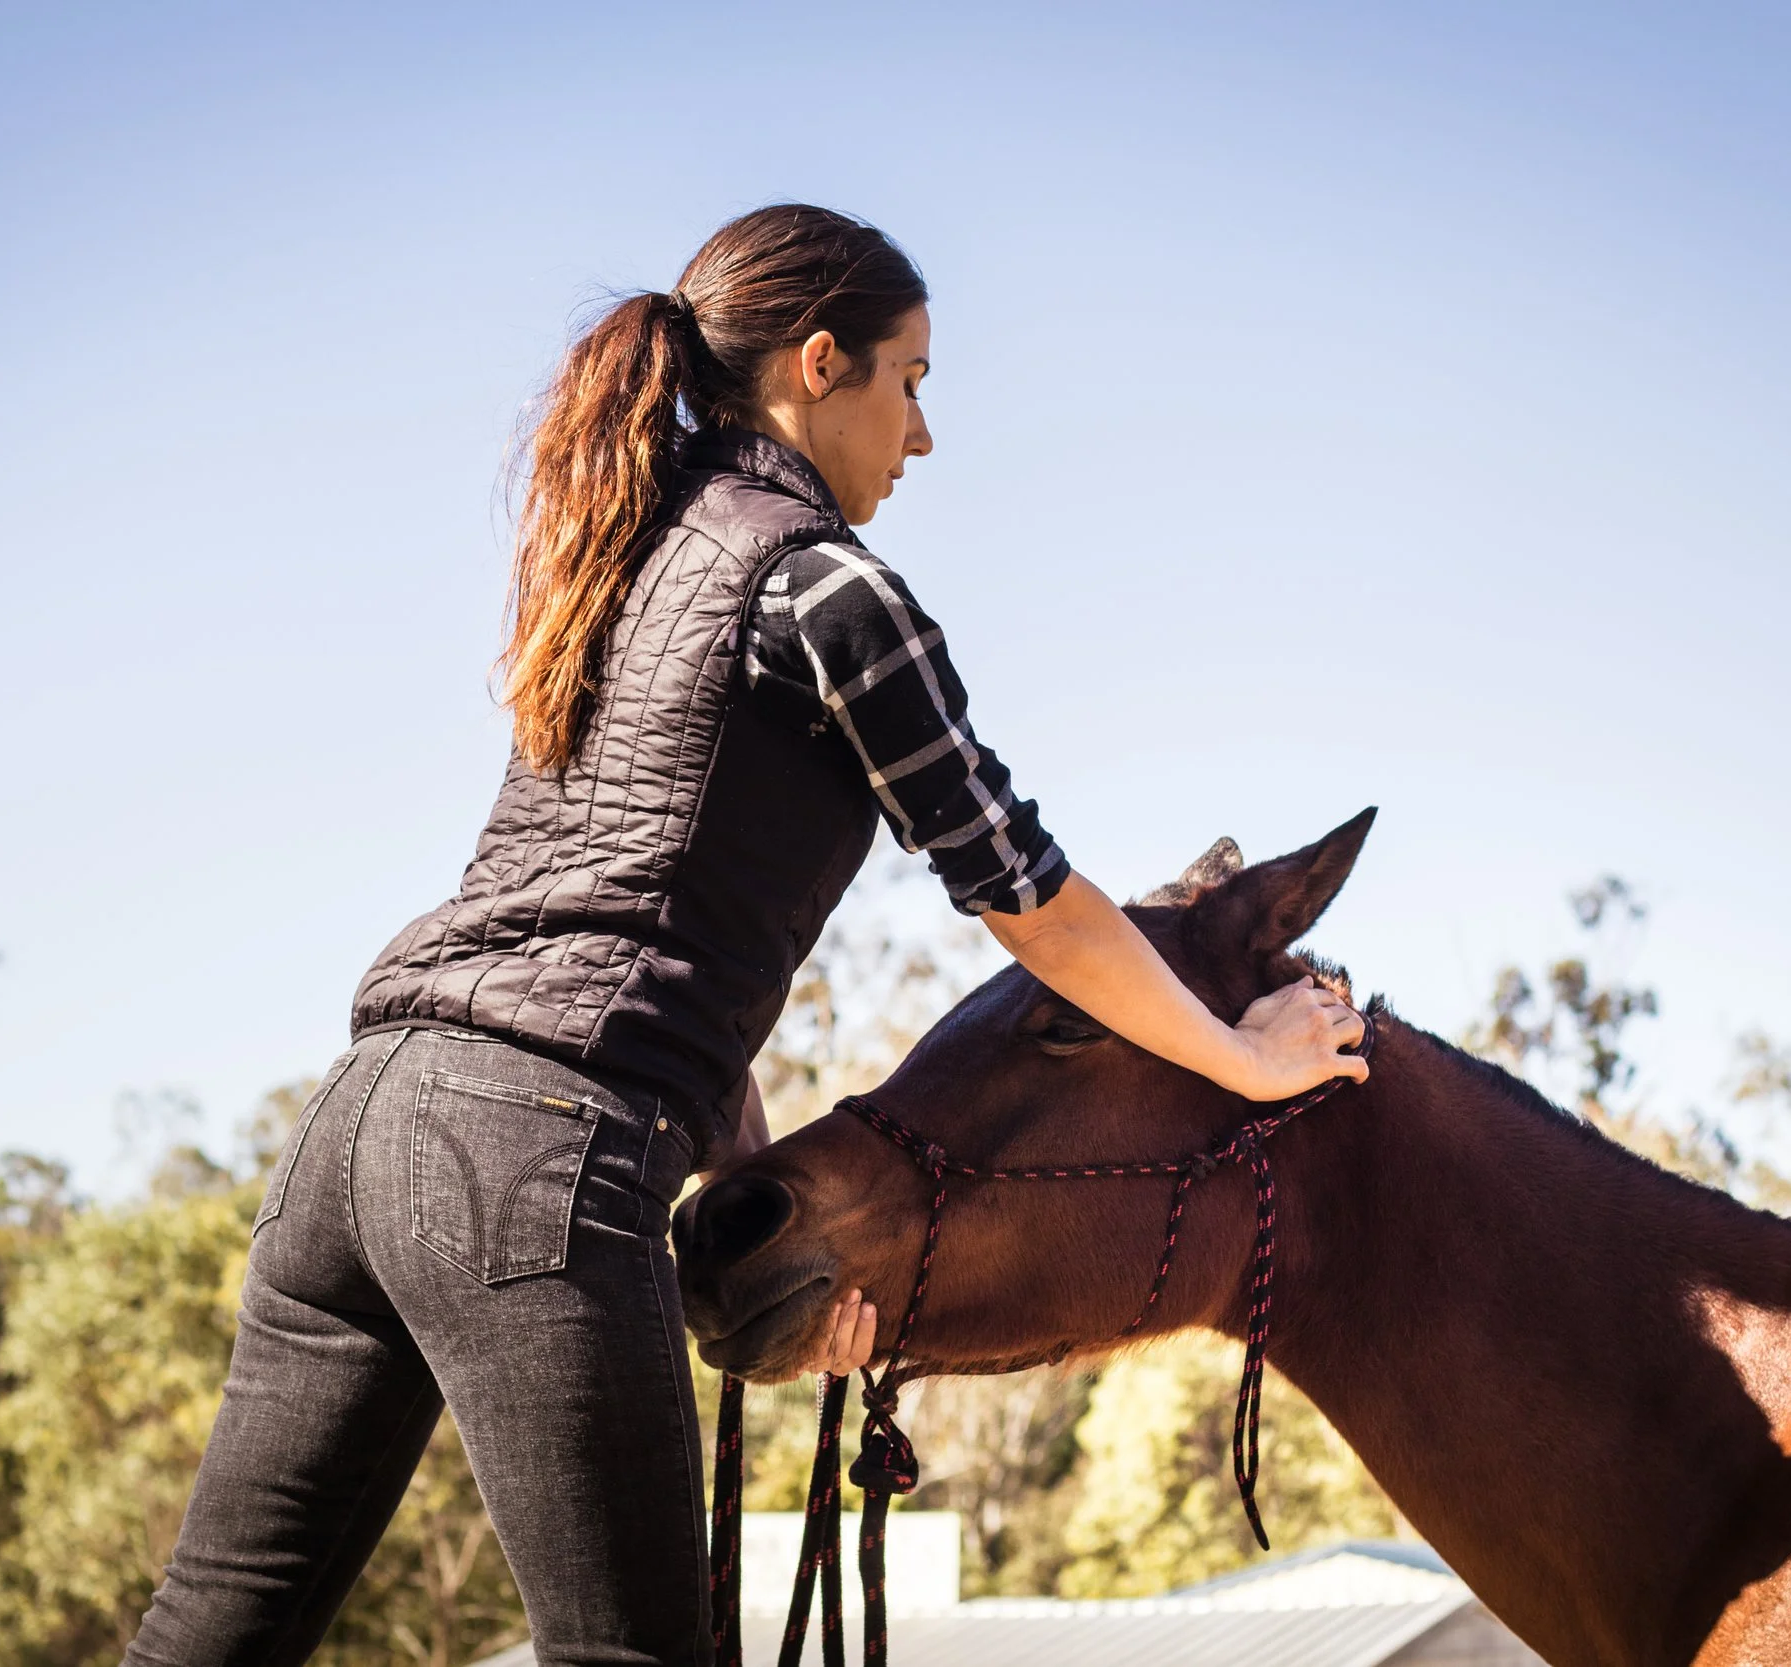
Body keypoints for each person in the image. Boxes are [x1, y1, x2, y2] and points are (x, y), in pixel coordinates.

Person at [123, 204, 1368, 1667]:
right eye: (909, 380)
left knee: (200, 1648)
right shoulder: (832, 590)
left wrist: (756, 1191)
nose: (920, 435)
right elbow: (1028, 893)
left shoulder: (621, 568)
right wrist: (1240, 1052)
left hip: (353, 1135)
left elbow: (625, 919)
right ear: (818, 363)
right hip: (531, 1150)